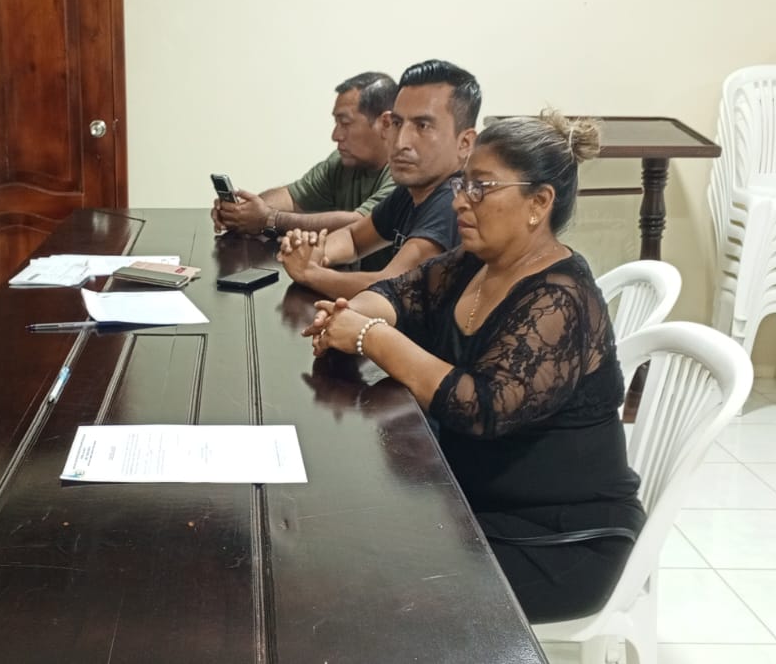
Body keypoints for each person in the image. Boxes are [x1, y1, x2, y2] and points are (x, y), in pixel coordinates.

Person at [301, 110, 643, 624]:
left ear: (539, 203)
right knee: (334, 539)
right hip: (474, 505)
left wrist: (370, 336)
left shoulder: (561, 300)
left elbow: (481, 407)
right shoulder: (475, 263)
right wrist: (350, 314)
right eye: (463, 184)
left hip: (559, 540)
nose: (461, 200)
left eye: (481, 187)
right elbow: (400, 293)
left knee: (361, 591)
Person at [276, 59, 478, 300]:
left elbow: (393, 286)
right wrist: (313, 252)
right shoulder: (412, 190)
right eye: (397, 123)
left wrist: (309, 273)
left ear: (465, 143)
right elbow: (353, 239)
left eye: (422, 126)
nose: (400, 142)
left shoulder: (453, 200)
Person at [211, 71, 398, 242]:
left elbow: (363, 224)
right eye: (336, 123)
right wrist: (241, 212)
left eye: (345, 123)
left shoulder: (404, 172)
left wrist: (270, 218)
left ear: (386, 123)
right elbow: (292, 198)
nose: (335, 135)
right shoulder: (341, 163)